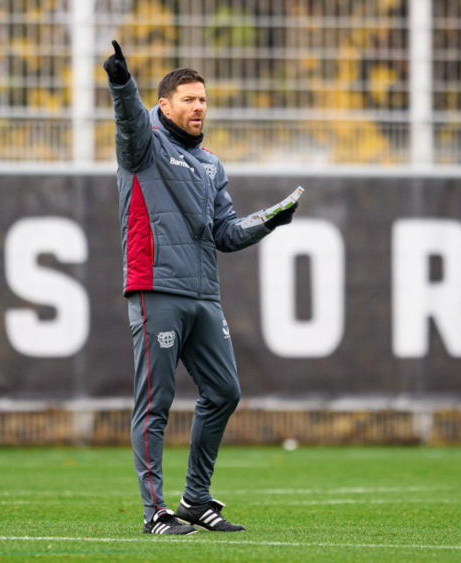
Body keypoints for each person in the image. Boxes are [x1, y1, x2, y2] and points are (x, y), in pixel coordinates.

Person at [103, 40, 299, 535]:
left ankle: (194, 498)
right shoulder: (143, 144)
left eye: (204, 100)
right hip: (157, 289)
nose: (199, 107)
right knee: (157, 401)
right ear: (164, 106)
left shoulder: (212, 164)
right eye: (189, 99)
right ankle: (154, 514)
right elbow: (128, 120)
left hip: (203, 294)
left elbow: (226, 233)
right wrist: (123, 84)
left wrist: (269, 220)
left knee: (225, 391)